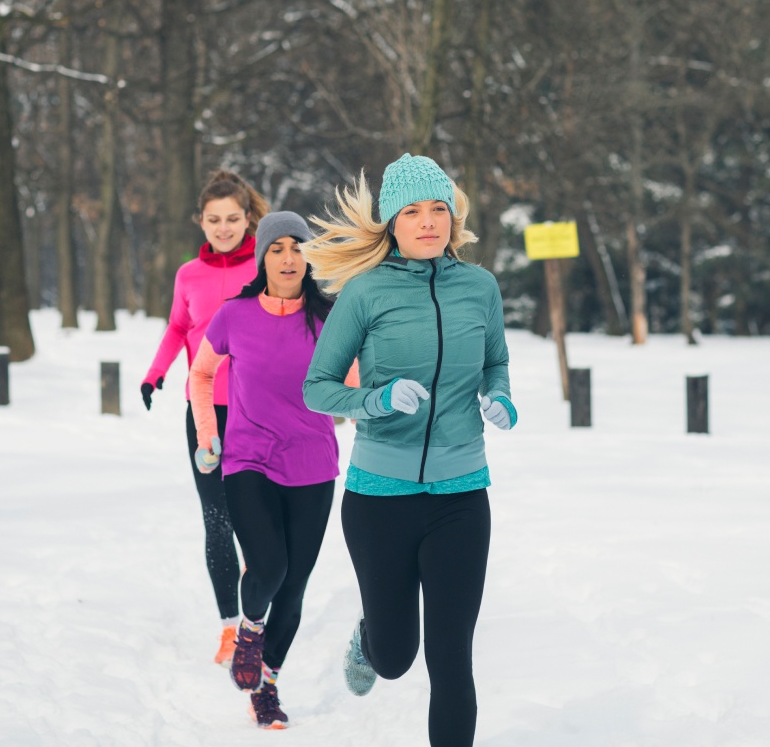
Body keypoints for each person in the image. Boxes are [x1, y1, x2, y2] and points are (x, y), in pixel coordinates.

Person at [300, 154, 516, 747]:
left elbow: (495, 361)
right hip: (379, 499)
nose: (428, 221)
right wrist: (376, 400)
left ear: (453, 217)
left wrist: (499, 395)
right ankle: (370, 638)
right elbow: (317, 388)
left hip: (461, 496)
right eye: (413, 211)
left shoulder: (480, 287)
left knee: (452, 659)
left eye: (438, 209)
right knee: (396, 658)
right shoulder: (366, 293)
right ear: (392, 223)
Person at [189, 211, 357, 729]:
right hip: (248, 460)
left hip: (312, 465)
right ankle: (249, 627)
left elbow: (353, 391)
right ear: (262, 257)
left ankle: (266, 685)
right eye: (277, 248)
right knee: (268, 567)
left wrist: (365, 406)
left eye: (297, 247)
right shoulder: (234, 315)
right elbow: (201, 373)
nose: (288, 258)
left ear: (309, 257)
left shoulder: (330, 320)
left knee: (293, 586)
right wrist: (207, 434)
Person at [140, 169, 268, 666]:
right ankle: (230, 629)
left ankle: (258, 621)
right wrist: (154, 374)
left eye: (232, 218)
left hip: (260, 412)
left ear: (248, 217)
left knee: (257, 521)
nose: (223, 228)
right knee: (217, 522)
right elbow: (178, 327)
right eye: (214, 220)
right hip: (205, 412)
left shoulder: (266, 265)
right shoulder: (188, 275)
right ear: (201, 221)